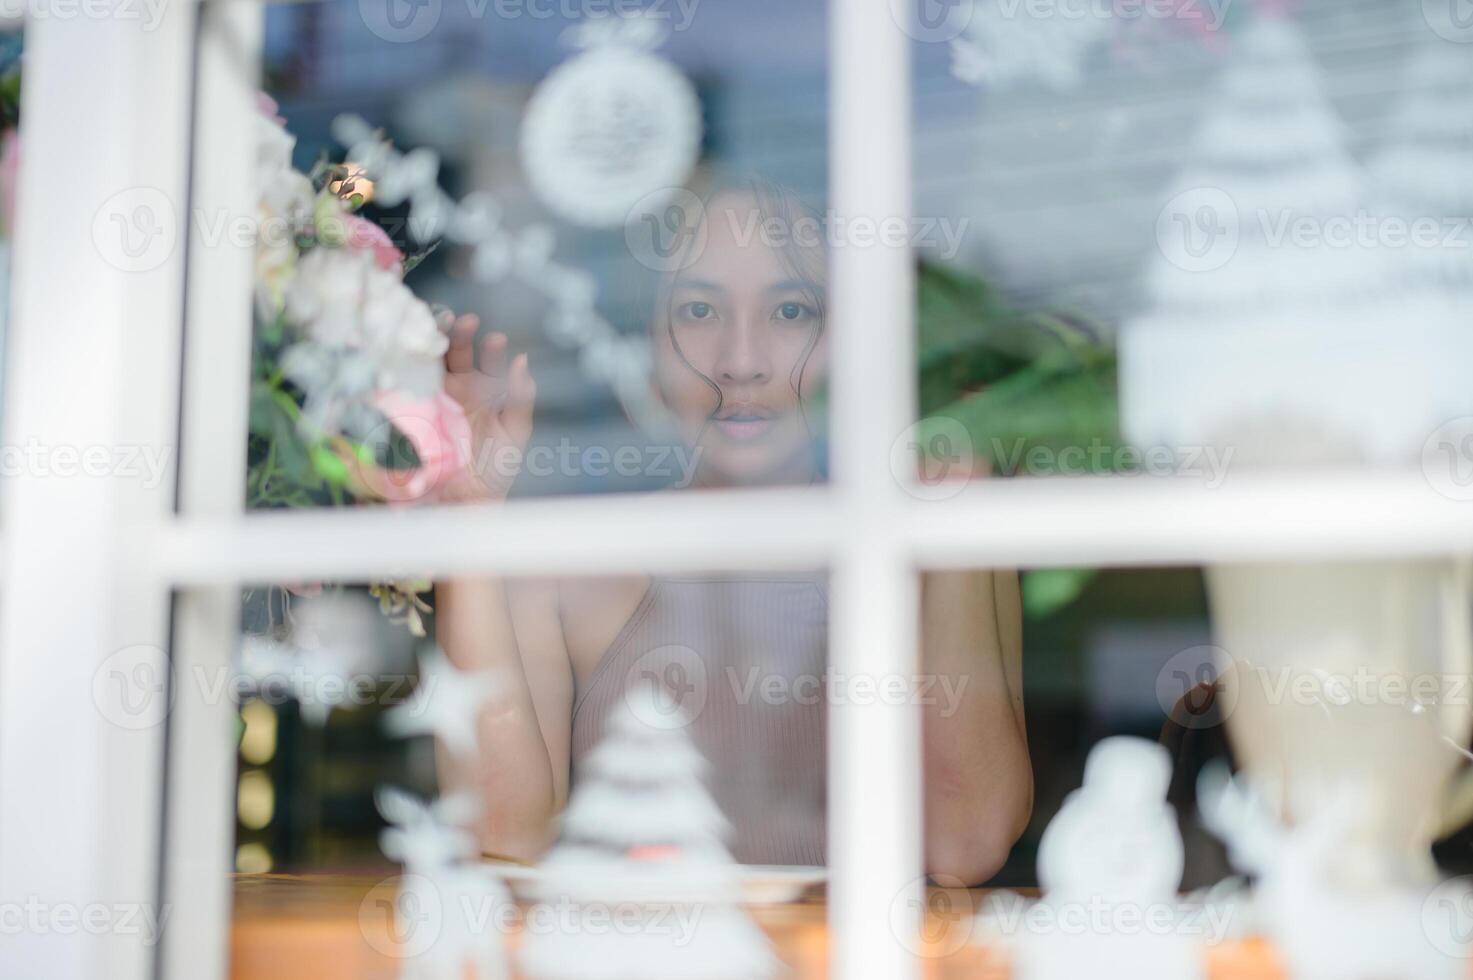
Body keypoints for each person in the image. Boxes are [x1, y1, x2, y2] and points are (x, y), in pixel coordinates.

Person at [430, 179, 1031, 884]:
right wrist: (464, 521)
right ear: (649, 345)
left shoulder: (931, 541)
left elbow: (964, 846)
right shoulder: (570, 562)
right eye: (697, 310)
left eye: (789, 310)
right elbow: (502, 842)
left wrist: (950, 505)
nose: (740, 360)